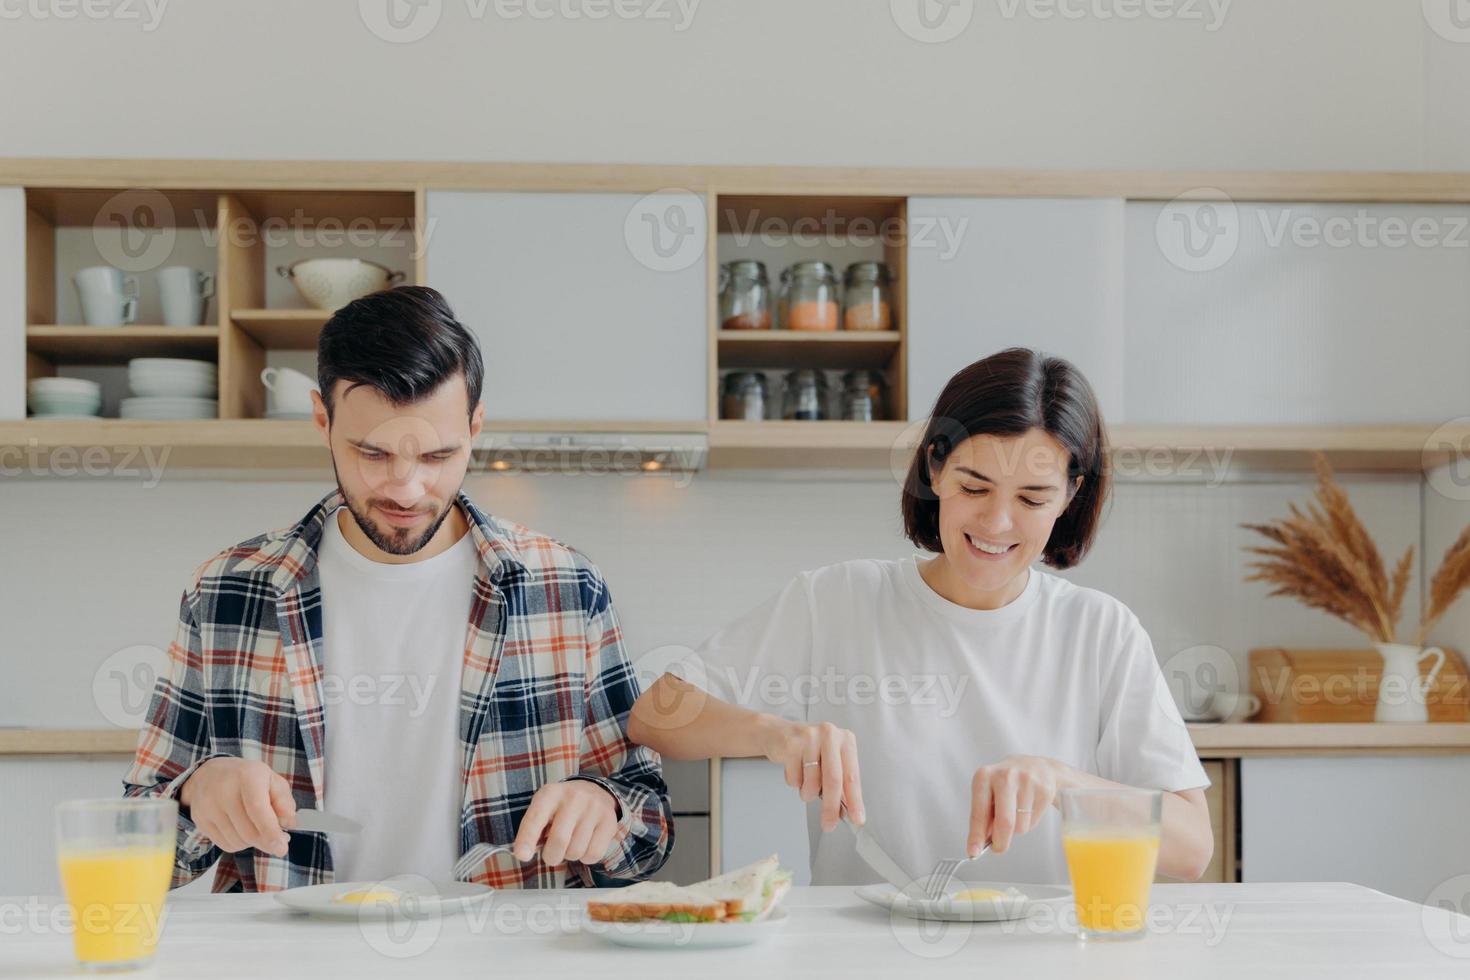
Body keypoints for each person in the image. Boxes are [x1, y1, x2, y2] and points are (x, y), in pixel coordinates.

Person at [124, 286, 671, 892]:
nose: (406, 489)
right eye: (372, 453)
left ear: (476, 426)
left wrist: (603, 807)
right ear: (321, 420)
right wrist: (197, 794)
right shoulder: (229, 590)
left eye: (438, 455)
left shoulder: (565, 588)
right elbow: (137, 842)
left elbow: (648, 828)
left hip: (497, 957)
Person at [630, 348, 1212, 885]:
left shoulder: (1100, 632)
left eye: (1032, 498)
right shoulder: (838, 600)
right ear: (935, 469)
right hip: (863, 957)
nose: (997, 523)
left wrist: (1063, 782)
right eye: (974, 486)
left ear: (1069, 497)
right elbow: (656, 714)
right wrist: (773, 734)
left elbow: (1192, 850)